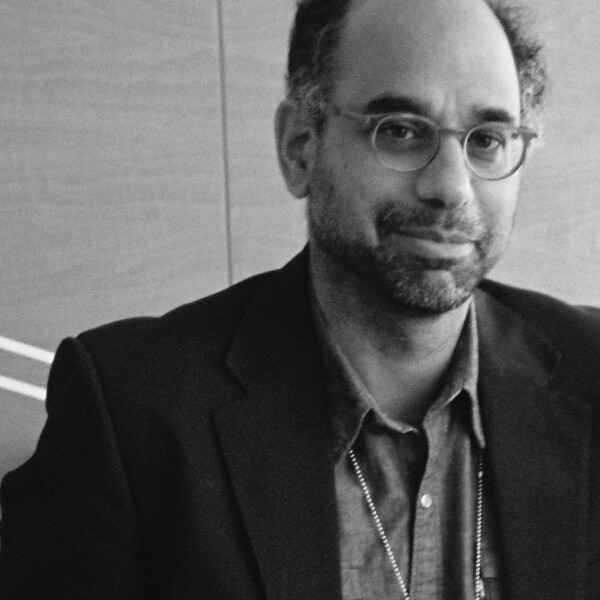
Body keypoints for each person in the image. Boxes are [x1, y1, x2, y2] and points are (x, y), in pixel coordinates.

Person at [1, 0, 599, 598]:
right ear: (300, 148)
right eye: (399, 130)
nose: (451, 186)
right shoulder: (132, 410)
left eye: (487, 139)